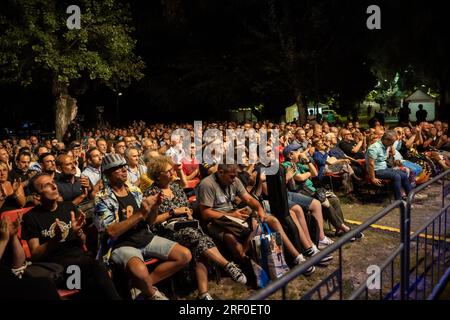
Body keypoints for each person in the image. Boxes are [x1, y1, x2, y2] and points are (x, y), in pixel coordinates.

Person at [145, 156, 247, 300]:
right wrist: (173, 213)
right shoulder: (151, 192)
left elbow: (187, 207)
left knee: (199, 241)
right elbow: (151, 222)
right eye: (168, 171)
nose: (172, 172)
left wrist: (189, 214)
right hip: (165, 231)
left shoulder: (175, 187)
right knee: (195, 237)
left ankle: (203, 294)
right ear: (158, 174)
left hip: (186, 226)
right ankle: (227, 265)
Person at [94, 154, 191, 300]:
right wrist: (140, 214)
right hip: (121, 244)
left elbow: (150, 222)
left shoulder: (134, 190)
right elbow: (111, 231)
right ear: (108, 174)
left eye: (124, 166)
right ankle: (154, 294)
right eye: (118, 168)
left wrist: (155, 208)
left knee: (184, 255)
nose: (123, 170)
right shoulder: (102, 197)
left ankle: (140, 286)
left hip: (145, 236)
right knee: (140, 271)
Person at [22, 173, 121, 299]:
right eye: (47, 185)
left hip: (82, 261)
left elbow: (83, 242)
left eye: (53, 182)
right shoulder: (31, 217)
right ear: (37, 195)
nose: (54, 186)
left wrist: (79, 233)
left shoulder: (69, 207)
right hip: (60, 270)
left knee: (98, 276)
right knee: (96, 270)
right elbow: (35, 254)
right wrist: (55, 239)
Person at [197, 164, 308, 271]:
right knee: (231, 238)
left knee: (272, 220)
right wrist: (231, 215)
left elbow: (248, 199)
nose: (234, 179)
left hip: (235, 214)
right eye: (231, 176)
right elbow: (206, 214)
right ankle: (250, 267)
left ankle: (296, 256)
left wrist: (259, 209)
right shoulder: (207, 184)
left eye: (235, 175)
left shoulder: (234, 180)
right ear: (221, 172)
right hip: (217, 220)